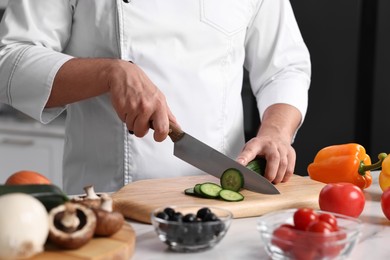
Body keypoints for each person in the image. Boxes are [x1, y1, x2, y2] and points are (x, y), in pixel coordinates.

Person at [0, 0, 310, 195]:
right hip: (105, 203)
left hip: (221, 200)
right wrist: (110, 73)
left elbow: (284, 67)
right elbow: (10, 60)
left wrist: (277, 132)